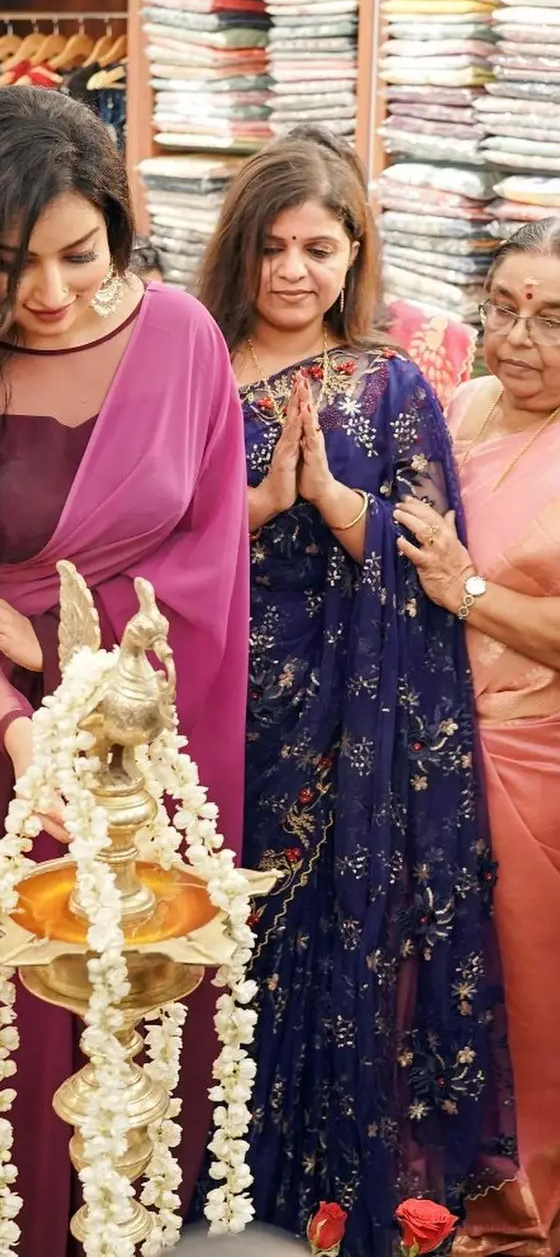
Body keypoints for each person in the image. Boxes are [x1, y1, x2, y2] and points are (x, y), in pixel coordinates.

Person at [0, 84, 250, 1256]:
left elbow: (210, 557)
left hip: (129, 731)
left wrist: (81, 648)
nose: (53, 292)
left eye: (80, 253)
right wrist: (24, 729)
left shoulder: (182, 340)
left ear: (120, 226)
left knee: (126, 1020)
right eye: (15, 263)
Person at [196, 131, 515, 1257]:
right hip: (216, 697)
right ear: (240, 249)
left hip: (351, 720)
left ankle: (319, 1197)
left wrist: (335, 505)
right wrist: (258, 511)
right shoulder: (187, 369)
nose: (293, 270)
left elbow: (440, 565)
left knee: (333, 933)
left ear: (354, 254)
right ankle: (209, 1181)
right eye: (273, 245)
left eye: (318, 247)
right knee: (217, 930)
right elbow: (146, 543)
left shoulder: (391, 385)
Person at [395, 219, 560, 1257]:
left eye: (551, 317)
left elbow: (464, 581)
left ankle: (526, 1216)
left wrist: (468, 589)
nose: (519, 335)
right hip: (441, 751)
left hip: (537, 762)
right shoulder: (464, 404)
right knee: (446, 989)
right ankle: (447, 1188)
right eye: (504, 306)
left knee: (534, 999)